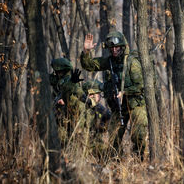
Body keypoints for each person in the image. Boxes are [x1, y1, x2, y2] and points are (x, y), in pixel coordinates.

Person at [80, 31, 148, 160]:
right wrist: (86, 52)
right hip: (119, 106)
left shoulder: (132, 62)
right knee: (113, 136)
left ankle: (139, 160)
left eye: (117, 47)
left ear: (123, 47)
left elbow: (141, 86)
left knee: (138, 135)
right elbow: (89, 65)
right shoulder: (109, 61)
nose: (114, 50)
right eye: (112, 48)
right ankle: (116, 162)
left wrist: (124, 92)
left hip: (136, 103)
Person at [49, 58, 92, 146]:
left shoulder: (68, 81)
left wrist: (88, 101)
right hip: (61, 115)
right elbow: (50, 79)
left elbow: (79, 93)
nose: (58, 73)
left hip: (72, 115)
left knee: (74, 139)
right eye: (57, 72)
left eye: (60, 71)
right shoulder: (57, 80)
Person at [82, 79, 111, 158]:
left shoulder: (98, 107)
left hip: (95, 143)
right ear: (90, 95)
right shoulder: (83, 107)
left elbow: (108, 117)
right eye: (97, 94)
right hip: (84, 145)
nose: (100, 96)